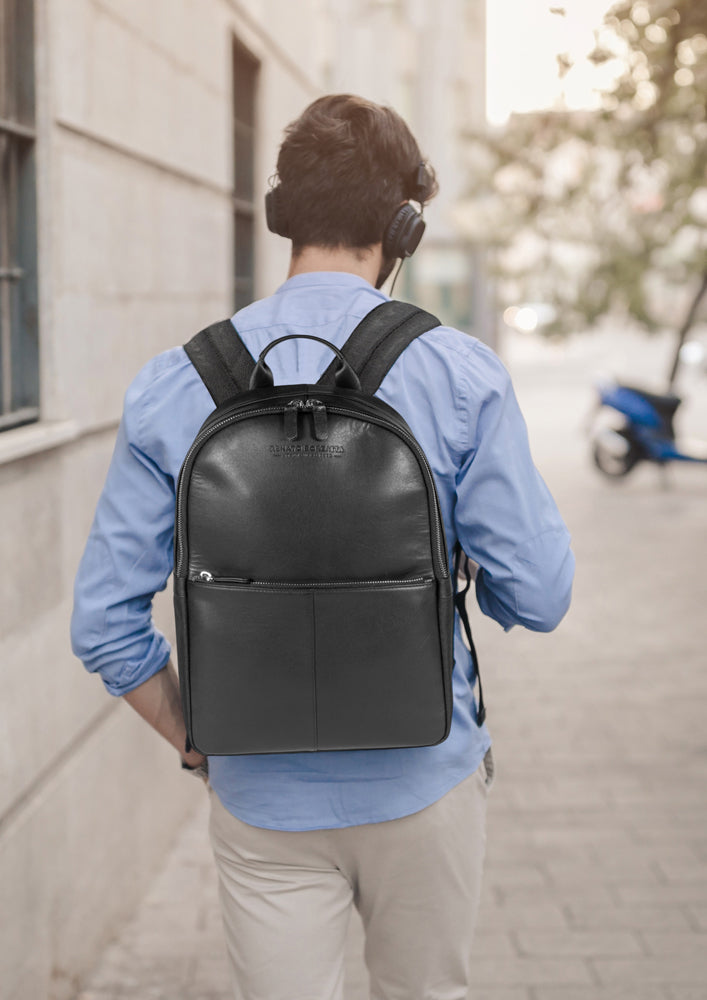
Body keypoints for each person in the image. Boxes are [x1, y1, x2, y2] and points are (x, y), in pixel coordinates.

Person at [71, 93, 574, 1000]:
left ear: (279, 217)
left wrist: (198, 741)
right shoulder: (459, 373)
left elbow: (102, 626)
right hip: (427, 780)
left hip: (261, 801)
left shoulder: (174, 383)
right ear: (403, 228)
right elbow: (539, 594)